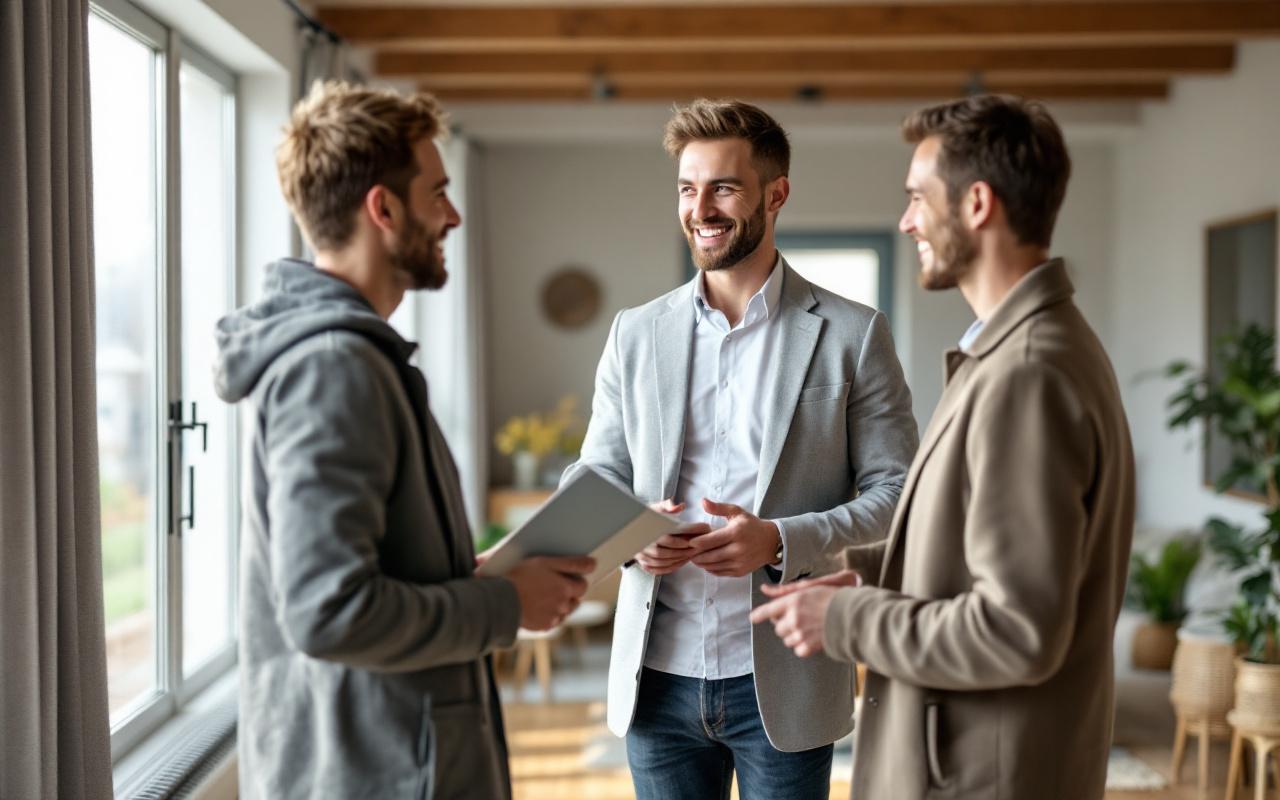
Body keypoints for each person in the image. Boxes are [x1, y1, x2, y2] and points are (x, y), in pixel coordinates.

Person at [213, 81, 593, 800]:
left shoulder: (358, 359)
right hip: (373, 775)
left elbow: (362, 569)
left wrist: (470, 572)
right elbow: (329, 611)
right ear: (383, 209)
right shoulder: (333, 368)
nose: (451, 215)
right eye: (437, 193)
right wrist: (505, 606)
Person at [751, 94, 1136, 800]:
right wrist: (870, 572)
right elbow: (979, 549)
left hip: (979, 775)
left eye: (917, 199)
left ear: (978, 204)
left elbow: (1015, 628)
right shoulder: (1023, 350)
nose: (906, 221)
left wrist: (847, 620)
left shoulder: (1026, 374)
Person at [563, 99, 918, 800]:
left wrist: (780, 541)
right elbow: (594, 475)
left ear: (775, 193)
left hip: (786, 681)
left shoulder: (853, 334)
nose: (701, 208)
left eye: (723, 186)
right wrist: (634, 534)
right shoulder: (635, 334)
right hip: (655, 682)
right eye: (687, 189)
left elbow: (900, 493)